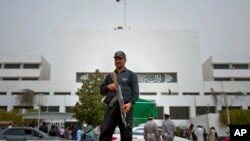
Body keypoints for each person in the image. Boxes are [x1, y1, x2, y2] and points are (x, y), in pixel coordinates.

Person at [99, 51, 139, 141]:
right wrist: (108, 86)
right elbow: (101, 90)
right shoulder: (110, 76)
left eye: (120, 59)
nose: (117, 61)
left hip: (125, 107)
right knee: (105, 133)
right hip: (111, 108)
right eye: (116, 59)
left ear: (125, 60)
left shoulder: (131, 75)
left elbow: (136, 93)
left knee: (126, 135)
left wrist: (130, 104)